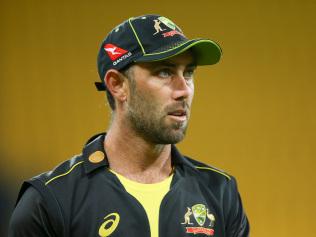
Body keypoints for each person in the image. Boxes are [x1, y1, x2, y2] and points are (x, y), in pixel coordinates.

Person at [8, 14, 250, 237]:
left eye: (188, 72)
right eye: (165, 72)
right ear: (117, 85)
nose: (184, 89)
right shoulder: (51, 200)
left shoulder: (220, 192)